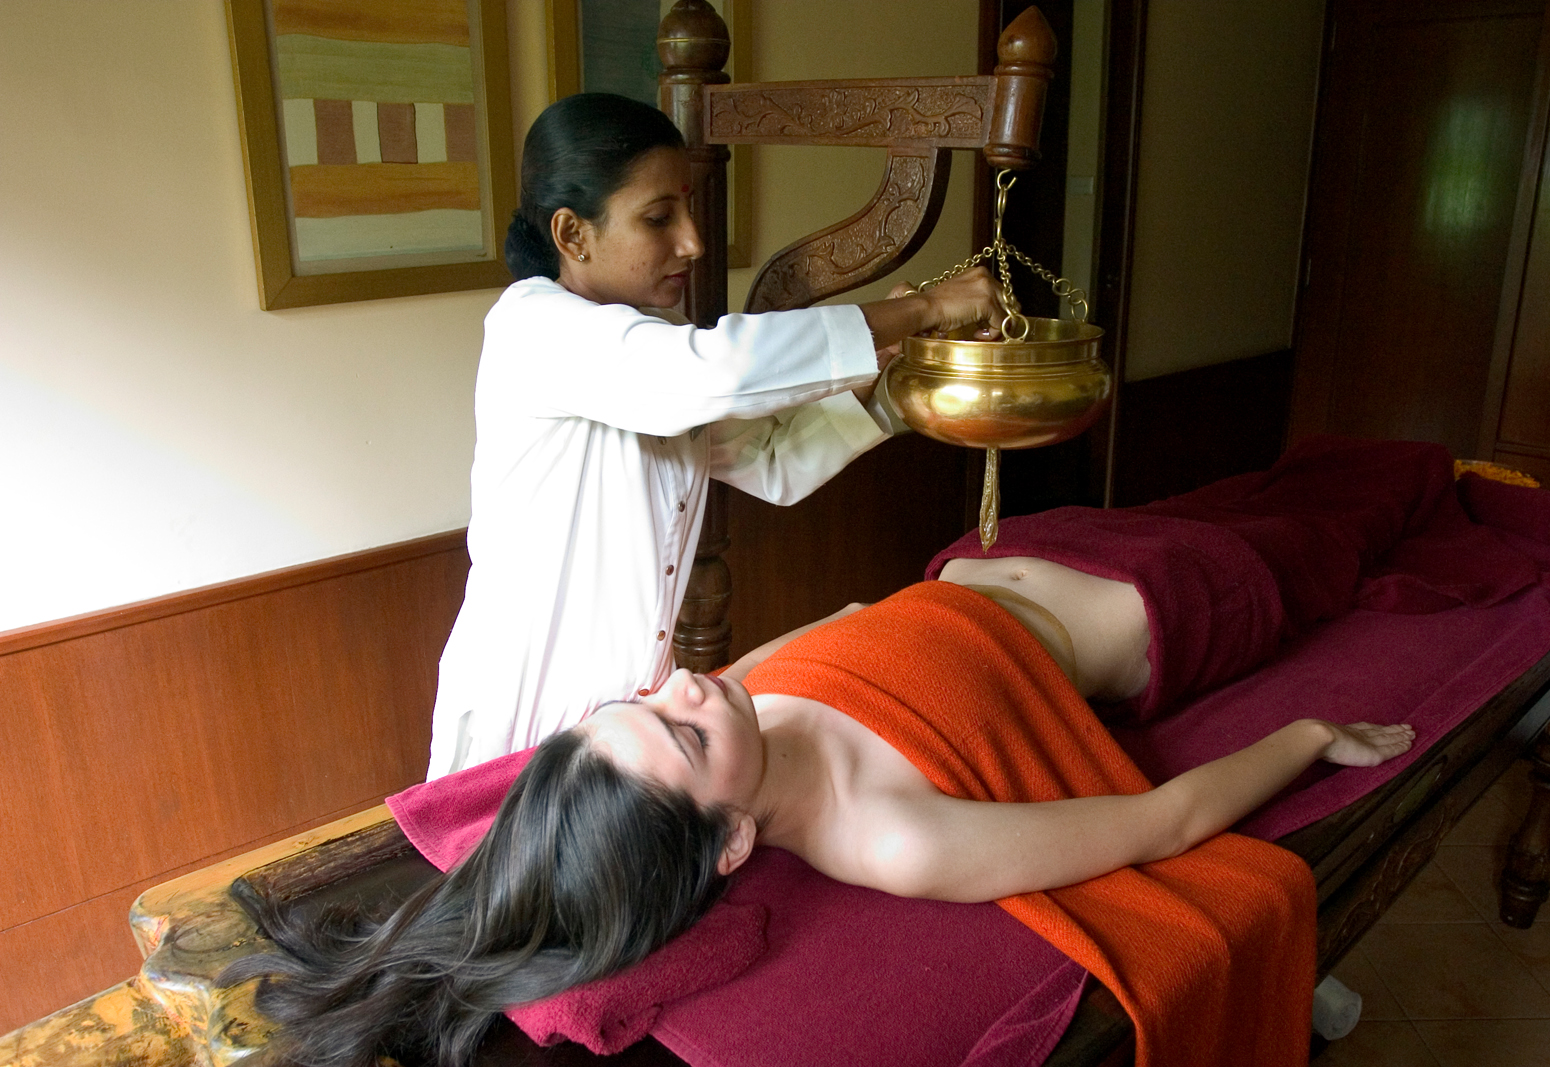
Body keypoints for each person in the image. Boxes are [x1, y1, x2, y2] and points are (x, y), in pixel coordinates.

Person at [223, 564, 1413, 1067]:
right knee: (1360, 522)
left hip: (987, 555)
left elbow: (856, 614)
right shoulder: (890, 835)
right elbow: (1157, 826)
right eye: (679, 730)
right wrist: (1308, 738)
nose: (681, 679)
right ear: (734, 841)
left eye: (640, 701)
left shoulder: (736, 708)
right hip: (1159, 612)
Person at [428, 92, 1007, 780]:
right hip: (522, 714)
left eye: (687, 209)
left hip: (628, 728)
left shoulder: (653, 360)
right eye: (658, 217)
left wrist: (901, 383)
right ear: (572, 234)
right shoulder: (536, 328)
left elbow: (771, 461)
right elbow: (719, 370)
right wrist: (921, 307)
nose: (693, 242)